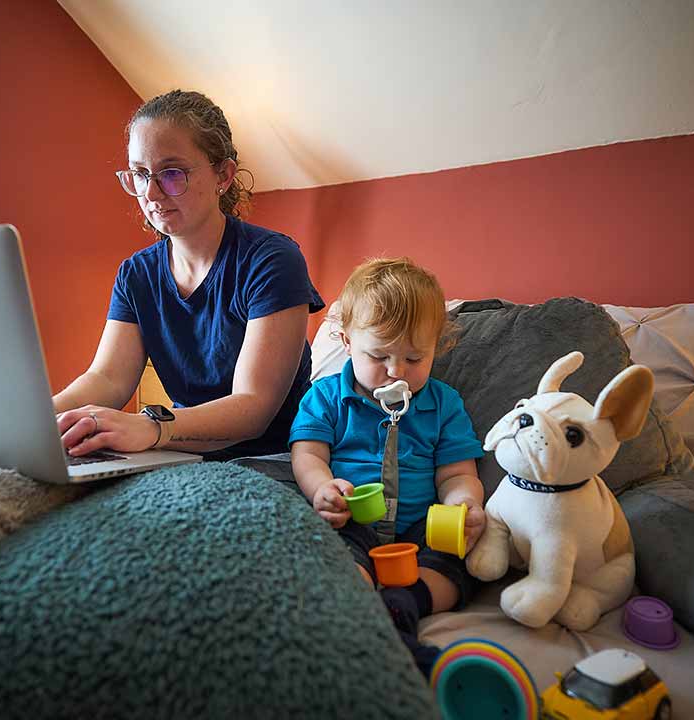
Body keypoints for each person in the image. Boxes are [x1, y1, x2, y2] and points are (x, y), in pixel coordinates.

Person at [54, 90, 323, 458]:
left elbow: (253, 407)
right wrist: (41, 418)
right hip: (183, 451)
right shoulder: (136, 274)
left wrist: (152, 427)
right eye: (140, 174)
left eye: (171, 173)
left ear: (223, 175)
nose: (151, 193)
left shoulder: (272, 260)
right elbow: (107, 379)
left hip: (278, 458)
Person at [289, 257, 485, 675]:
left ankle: (402, 605)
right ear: (347, 342)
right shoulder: (325, 397)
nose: (397, 371)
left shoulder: (444, 404)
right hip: (351, 521)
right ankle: (356, 611)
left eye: (414, 358)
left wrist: (464, 504)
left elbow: (457, 473)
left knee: (457, 567)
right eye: (379, 355)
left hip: (421, 528)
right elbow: (307, 454)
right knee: (333, 555)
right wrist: (323, 489)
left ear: (436, 348)